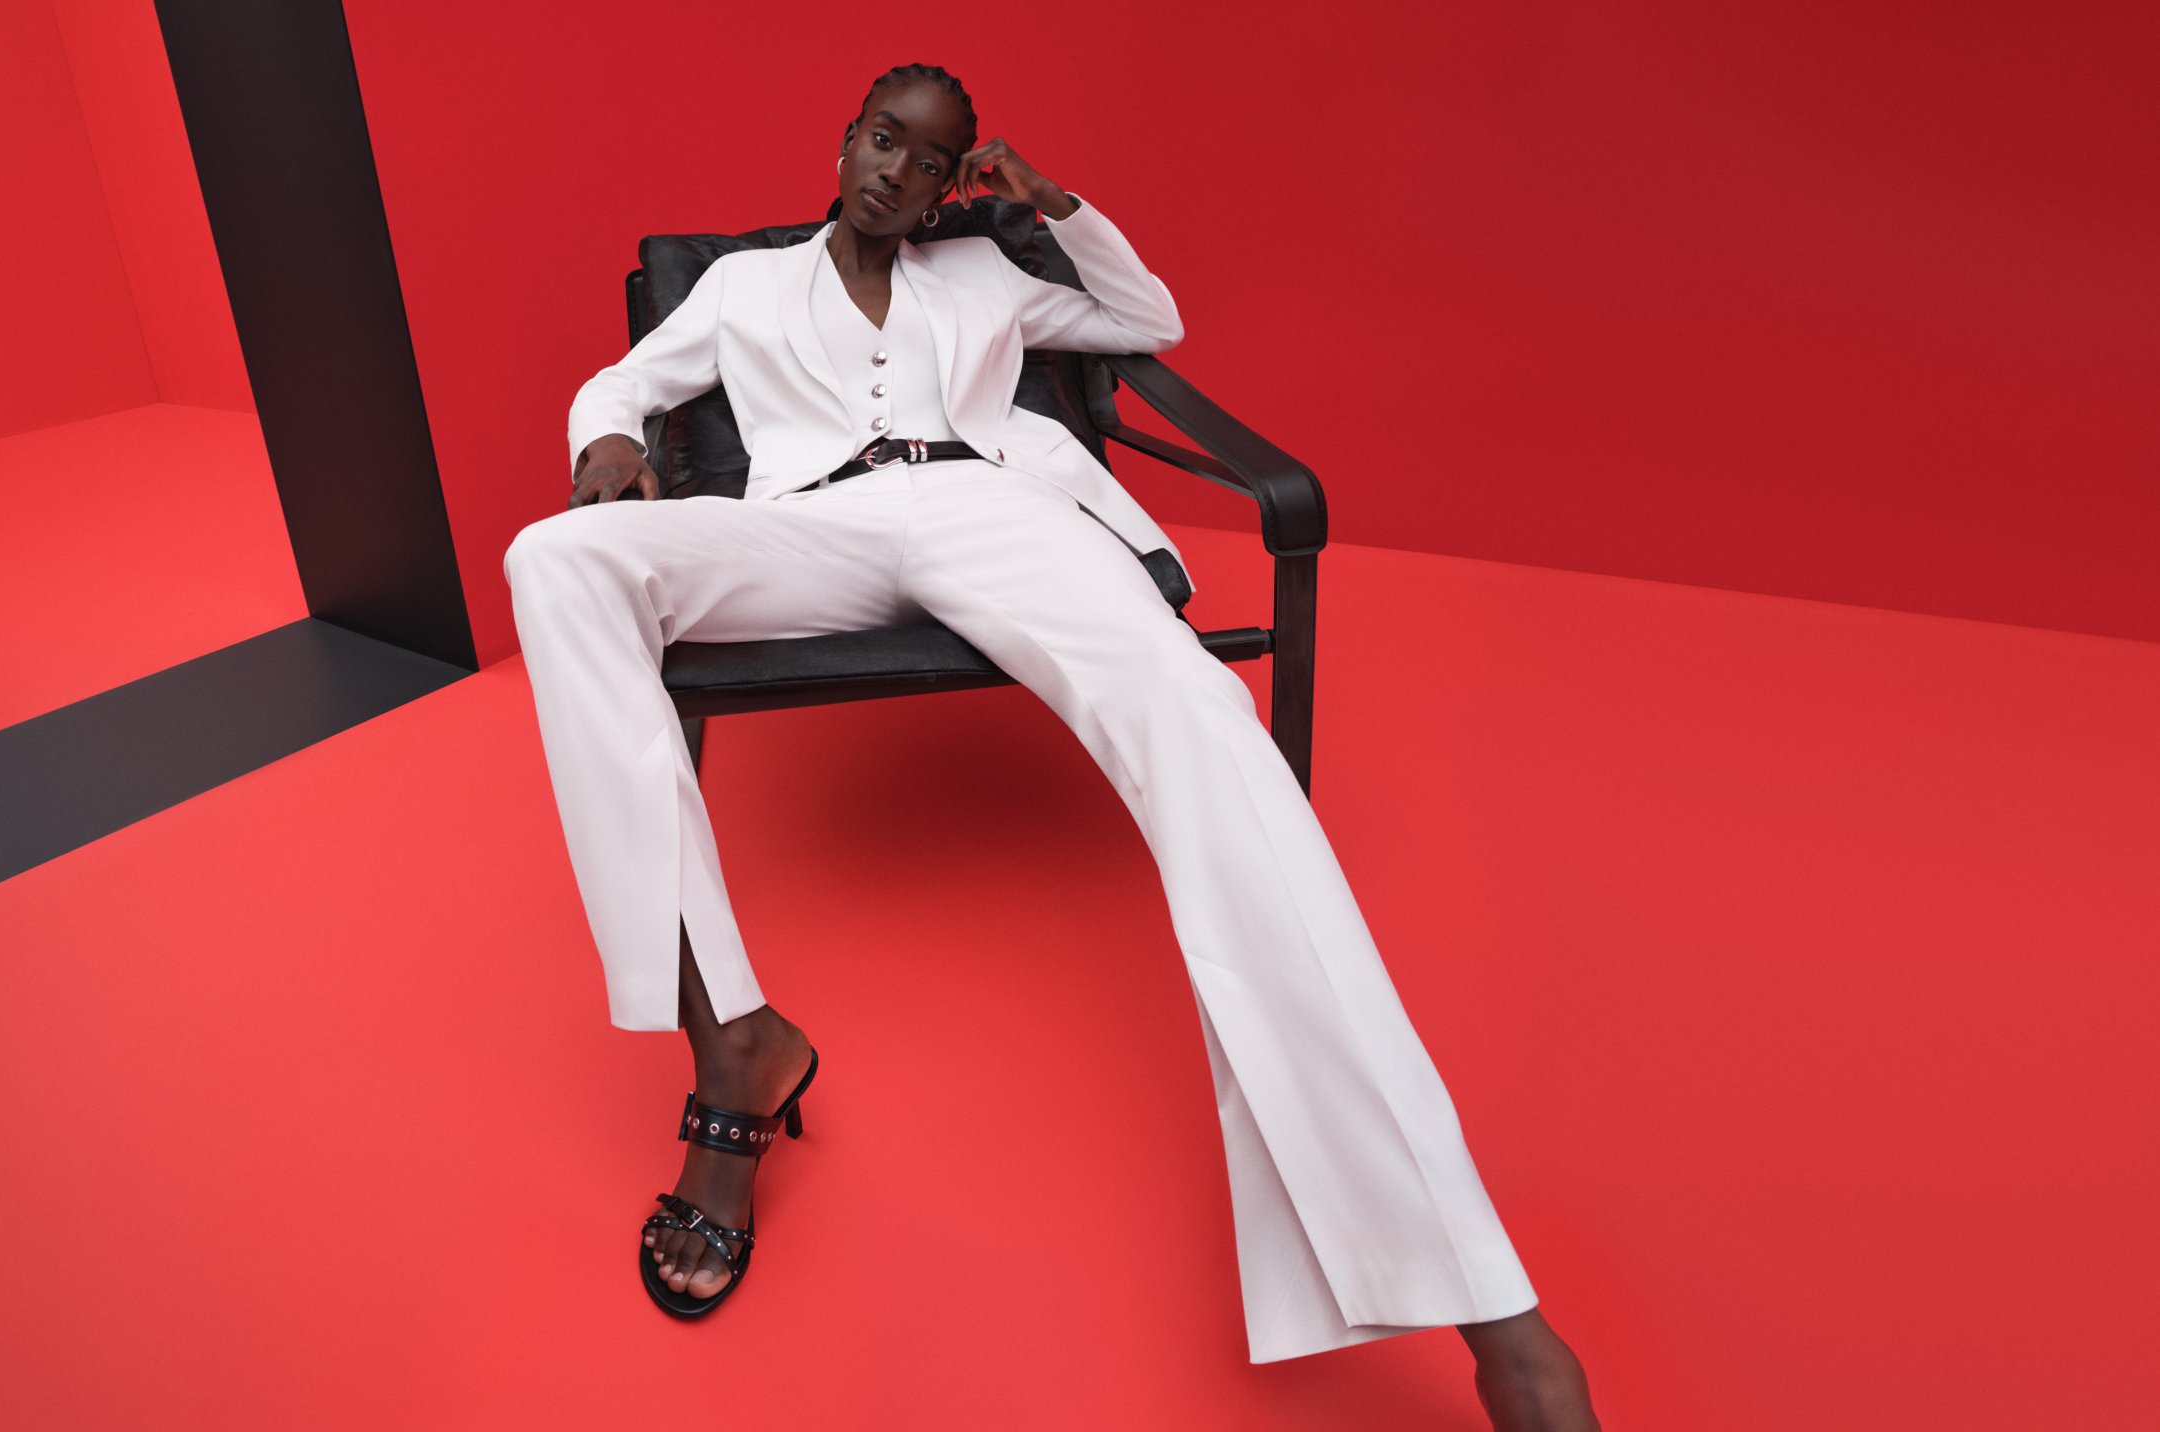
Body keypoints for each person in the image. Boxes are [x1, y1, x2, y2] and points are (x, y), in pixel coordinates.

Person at [502, 62, 1601, 1428]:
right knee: (557, 561)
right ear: (846, 141)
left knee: (1206, 729)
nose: (897, 172)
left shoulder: (987, 275)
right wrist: (608, 445)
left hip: (991, 514)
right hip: (809, 531)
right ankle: (733, 1042)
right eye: (882, 141)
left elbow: (1148, 320)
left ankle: (1493, 1315)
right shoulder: (742, 288)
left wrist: (1054, 206)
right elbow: (620, 382)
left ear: (949, 186)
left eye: (930, 162)